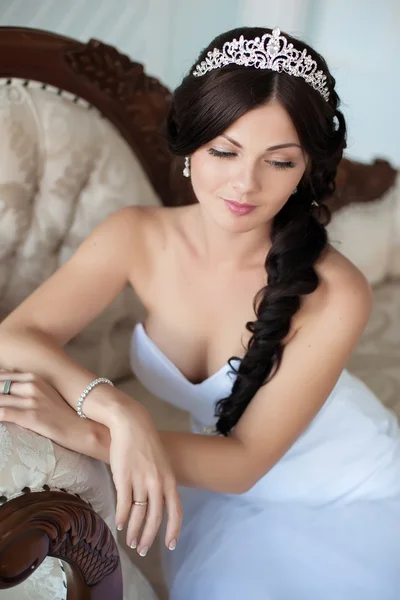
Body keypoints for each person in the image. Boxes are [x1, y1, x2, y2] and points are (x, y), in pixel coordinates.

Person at [0, 25, 399, 600]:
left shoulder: (339, 292)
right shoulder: (134, 236)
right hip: (212, 482)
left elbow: (243, 464)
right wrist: (116, 408)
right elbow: (16, 335)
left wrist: (87, 432)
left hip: (345, 489)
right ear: (190, 147)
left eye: (278, 161)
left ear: (305, 168)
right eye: (224, 151)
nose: (245, 183)